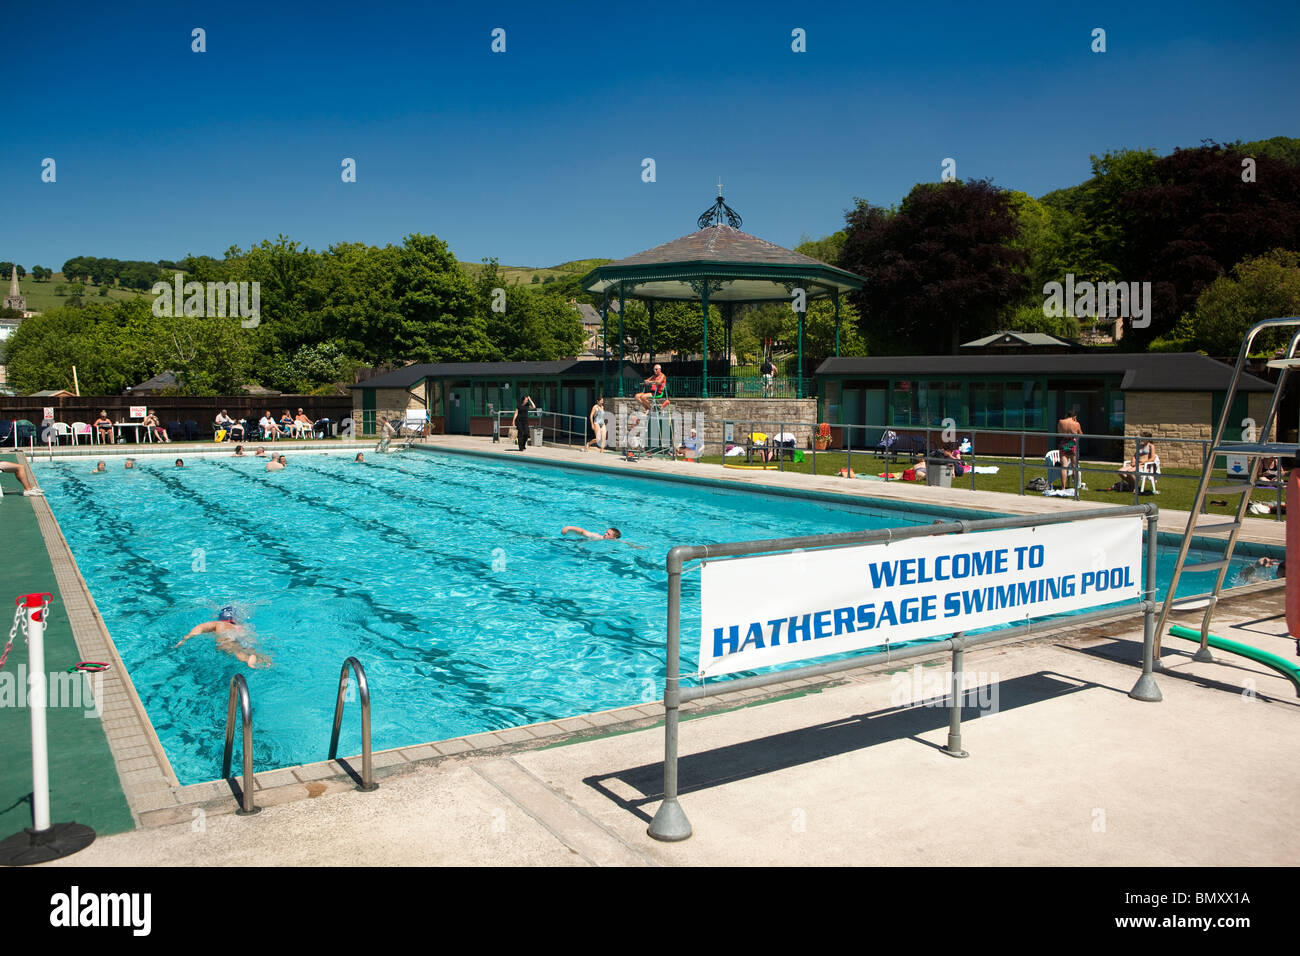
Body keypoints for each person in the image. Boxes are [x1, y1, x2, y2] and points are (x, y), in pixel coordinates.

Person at [175, 606, 270, 668]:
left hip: (227, 638)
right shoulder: (240, 627)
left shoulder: (218, 624)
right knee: (248, 649)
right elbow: (251, 639)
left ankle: (248, 660)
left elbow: (200, 628)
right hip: (241, 638)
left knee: (234, 650)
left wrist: (187, 638)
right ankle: (263, 659)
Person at [1057, 409, 1083, 489]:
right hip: (1072, 444)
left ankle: (1063, 487)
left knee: (1064, 466)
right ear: (1074, 416)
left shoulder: (1061, 422)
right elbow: (1081, 434)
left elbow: (1059, 432)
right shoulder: (1076, 423)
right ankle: (1075, 487)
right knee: (1074, 466)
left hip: (1064, 443)